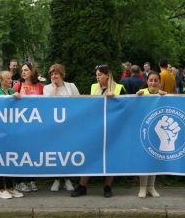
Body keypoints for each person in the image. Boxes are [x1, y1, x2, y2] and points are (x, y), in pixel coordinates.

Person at [71, 64, 125, 198]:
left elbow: (125, 106)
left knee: (110, 156)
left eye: (100, 75)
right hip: (96, 127)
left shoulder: (119, 88)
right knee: (89, 155)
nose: (97, 78)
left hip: (113, 128)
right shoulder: (93, 87)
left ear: (107, 75)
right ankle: (82, 186)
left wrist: (117, 99)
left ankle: (108, 186)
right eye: (96, 75)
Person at [43, 64, 79, 192]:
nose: (54, 76)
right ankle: (57, 179)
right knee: (56, 153)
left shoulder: (71, 86)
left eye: (56, 73)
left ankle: (68, 179)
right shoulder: (47, 88)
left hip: (69, 125)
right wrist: (53, 90)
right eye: (52, 74)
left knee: (68, 152)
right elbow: (48, 105)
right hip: (54, 127)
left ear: (62, 75)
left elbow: (79, 103)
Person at [0, 71, 23, 199]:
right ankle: (0, 188)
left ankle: (10, 187)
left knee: (10, 160)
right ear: (1, 80)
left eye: (11, 78)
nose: (11, 80)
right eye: (8, 79)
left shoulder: (11, 91)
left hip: (11, 132)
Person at [13, 62, 44, 192]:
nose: (23, 72)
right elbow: (7, 98)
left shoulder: (41, 86)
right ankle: (19, 181)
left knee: (33, 153)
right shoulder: (18, 85)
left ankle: (31, 180)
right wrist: (12, 95)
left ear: (32, 71)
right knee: (21, 152)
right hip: (20, 124)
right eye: (22, 70)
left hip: (35, 125)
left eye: (26, 70)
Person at [136, 71, 166, 198]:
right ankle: (142, 188)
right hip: (143, 132)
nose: (153, 82)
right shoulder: (141, 93)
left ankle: (151, 187)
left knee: (154, 160)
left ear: (159, 82)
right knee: (144, 160)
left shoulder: (163, 95)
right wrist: (136, 97)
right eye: (151, 80)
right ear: (147, 82)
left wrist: (166, 96)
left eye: (155, 80)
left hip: (157, 134)